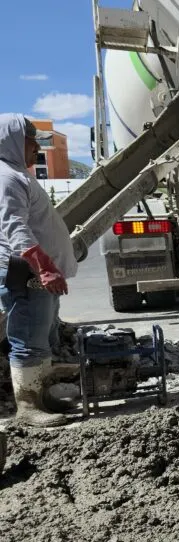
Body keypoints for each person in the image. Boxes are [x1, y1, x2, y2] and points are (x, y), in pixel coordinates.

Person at [0, 115, 79, 427]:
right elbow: (14, 229)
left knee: (42, 336)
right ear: (13, 142)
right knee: (29, 338)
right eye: (31, 141)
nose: (37, 148)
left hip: (35, 275)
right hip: (27, 275)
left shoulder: (17, 174)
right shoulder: (7, 178)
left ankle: (42, 398)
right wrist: (45, 268)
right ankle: (28, 407)